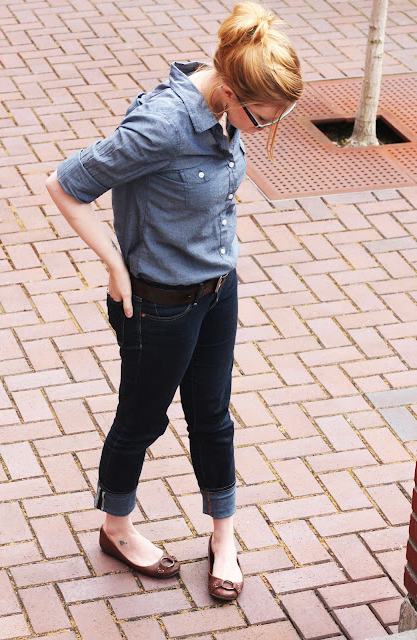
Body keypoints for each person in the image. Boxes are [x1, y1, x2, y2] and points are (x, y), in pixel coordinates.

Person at [46, 1, 303, 600]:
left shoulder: (226, 109)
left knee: (212, 414)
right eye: (260, 119)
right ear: (231, 90)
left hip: (218, 289)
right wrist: (115, 265)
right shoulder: (161, 126)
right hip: (158, 305)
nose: (261, 130)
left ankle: (223, 537)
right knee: (142, 419)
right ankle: (116, 528)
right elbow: (65, 185)